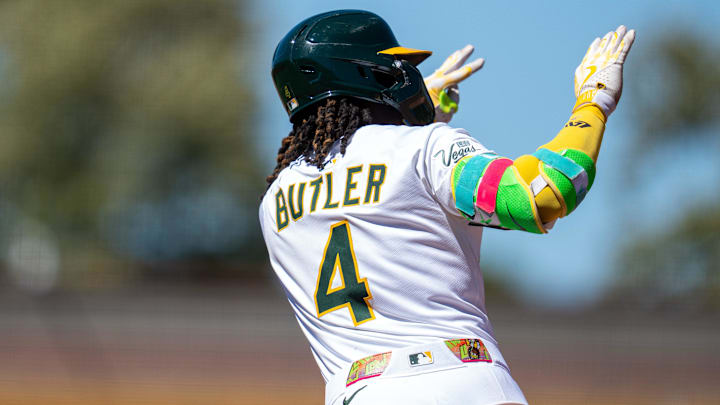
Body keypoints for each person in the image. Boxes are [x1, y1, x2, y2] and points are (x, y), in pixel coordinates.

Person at [259, 9, 635, 405]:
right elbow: (539, 194)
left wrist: (417, 124)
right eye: (393, 66)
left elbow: (376, 196)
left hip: (357, 391)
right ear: (369, 75)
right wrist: (594, 103)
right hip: (459, 381)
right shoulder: (424, 148)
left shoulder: (274, 203)